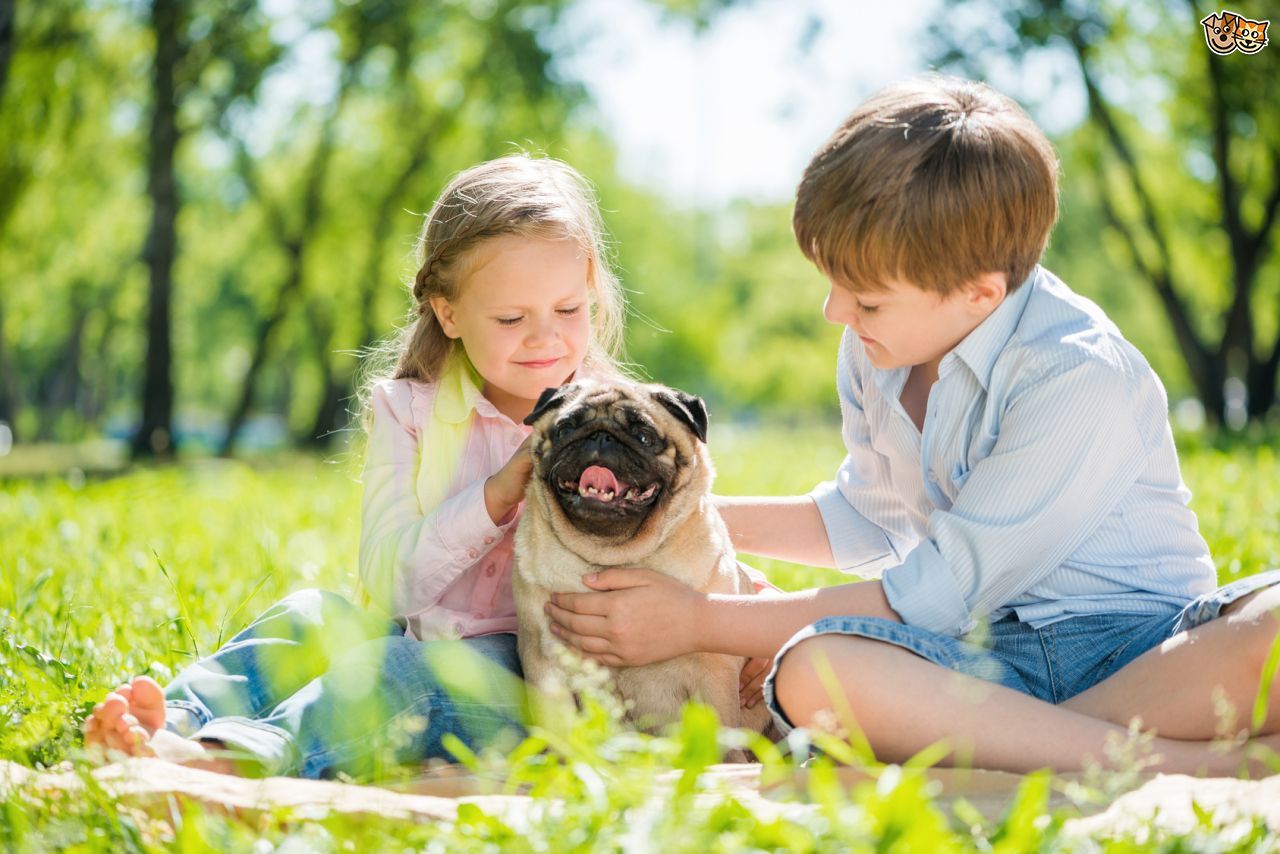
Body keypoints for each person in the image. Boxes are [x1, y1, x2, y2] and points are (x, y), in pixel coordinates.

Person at [544, 76, 1280, 776]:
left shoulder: (1076, 375)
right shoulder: (883, 346)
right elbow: (869, 517)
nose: (836, 313)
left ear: (978, 293)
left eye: (865, 300)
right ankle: (1098, 747)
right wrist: (671, 519)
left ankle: (1036, 742)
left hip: (1142, 653)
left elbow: (929, 596)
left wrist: (699, 620)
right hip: (984, 660)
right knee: (815, 668)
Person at [81, 153, 631, 779]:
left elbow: (676, 547)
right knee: (313, 614)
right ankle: (168, 721)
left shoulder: (620, 427)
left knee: (397, 672)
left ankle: (232, 762)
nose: (545, 337)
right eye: (511, 318)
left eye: (568, 310)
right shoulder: (411, 413)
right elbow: (391, 585)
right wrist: (495, 495)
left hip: (537, 683)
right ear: (448, 313)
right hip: (412, 631)